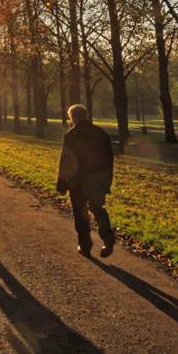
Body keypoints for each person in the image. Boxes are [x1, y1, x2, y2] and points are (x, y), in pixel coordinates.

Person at [55, 104, 116, 258]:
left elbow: (66, 161)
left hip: (78, 181)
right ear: (86, 115)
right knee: (98, 208)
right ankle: (107, 237)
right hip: (98, 180)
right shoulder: (100, 133)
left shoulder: (71, 135)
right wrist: (107, 181)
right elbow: (109, 159)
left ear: (72, 117)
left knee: (80, 213)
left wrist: (62, 183)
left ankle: (85, 245)